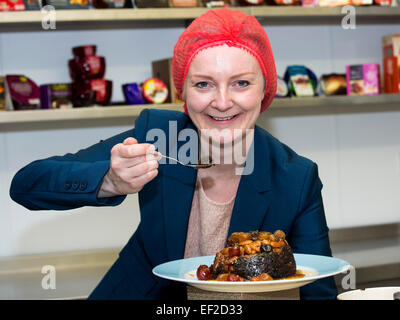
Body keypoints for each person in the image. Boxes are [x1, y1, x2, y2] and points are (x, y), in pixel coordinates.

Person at [9, 8, 338, 300]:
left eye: (240, 83)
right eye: (203, 84)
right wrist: (108, 181)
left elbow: (318, 288)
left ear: (265, 89)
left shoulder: (296, 178)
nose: (222, 102)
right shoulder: (159, 137)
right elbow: (26, 185)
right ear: (182, 90)